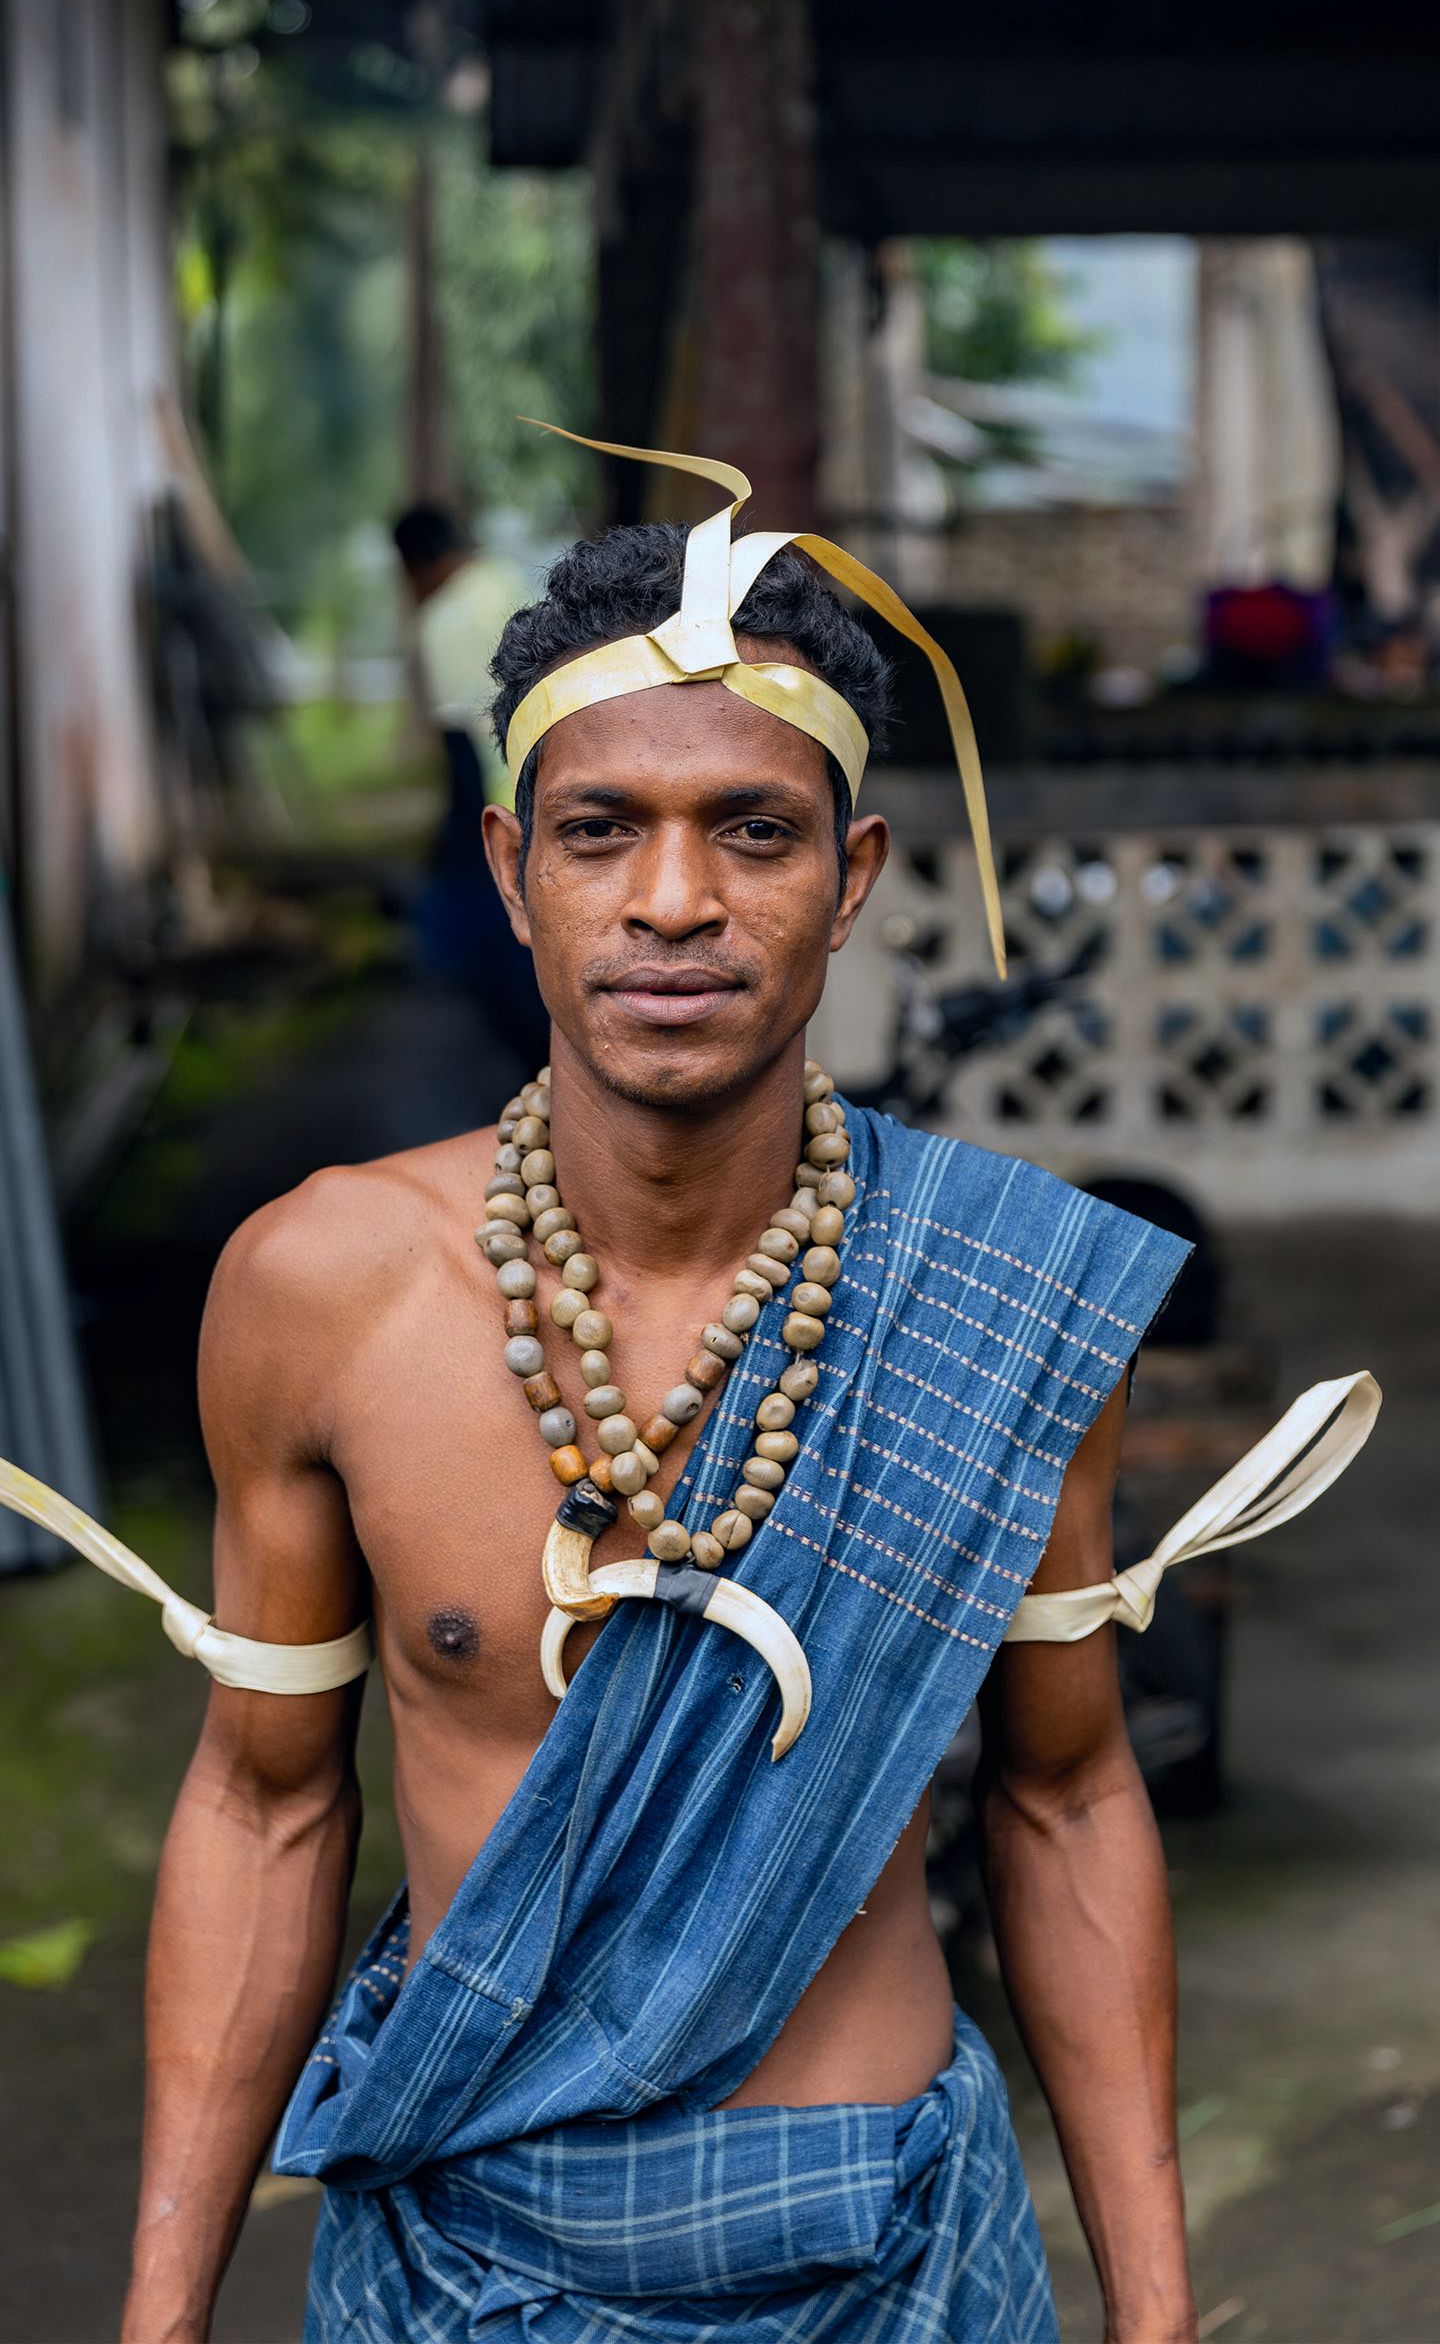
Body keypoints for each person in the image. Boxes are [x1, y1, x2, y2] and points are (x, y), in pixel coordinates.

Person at [1, 439, 1376, 2343]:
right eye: (600, 830)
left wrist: (1152, 2317)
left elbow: (1065, 1796)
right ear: (511, 870)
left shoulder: (994, 1292)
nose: (673, 900)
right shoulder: (321, 1289)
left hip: (892, 2266)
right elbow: (263, 1806)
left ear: (850, 877)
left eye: (753, 831)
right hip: (464, 2269)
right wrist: (157, 2319)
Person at [393, 500, 548, 1056]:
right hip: (551, 782)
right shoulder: (508, 580)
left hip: (498, 798)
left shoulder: (440, 619)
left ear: (414, 564)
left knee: (498, 933)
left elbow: (460, 748)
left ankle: (531, 1052)